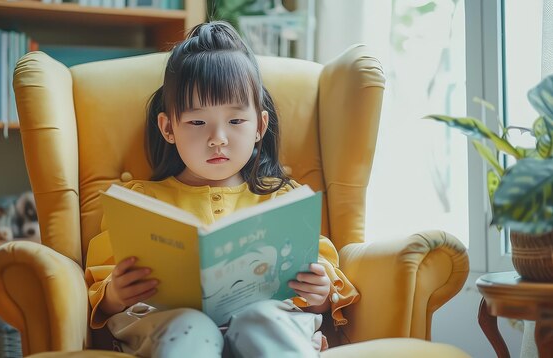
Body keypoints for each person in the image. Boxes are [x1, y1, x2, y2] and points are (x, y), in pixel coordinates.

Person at [85, 21, 359, 358]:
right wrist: (115, 294)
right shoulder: (141, 201)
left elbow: (319, 282)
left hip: (267, 324)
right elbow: (103, 287)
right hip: (171, 328)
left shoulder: (282, 198)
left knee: (260, 320)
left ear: (259, 126)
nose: (218, 138)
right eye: (198, 122)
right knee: (190, 326)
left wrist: (319, 294)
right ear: (168, 128)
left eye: (235, 121)